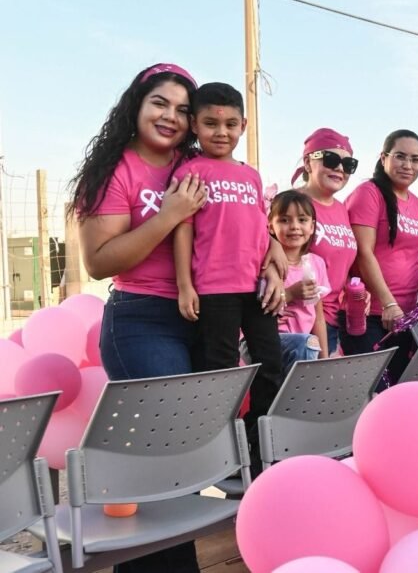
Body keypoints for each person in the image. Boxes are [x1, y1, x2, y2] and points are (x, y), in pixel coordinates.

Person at [70, 63, 280, 573]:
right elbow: (98, 263)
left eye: (183, 109)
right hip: (143, 319)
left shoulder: (200, 163)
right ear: (136, 107)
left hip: (201, 313)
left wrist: (274, 256)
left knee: (187, 450)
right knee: (164, 450)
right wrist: (168, 215)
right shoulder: (116, 170)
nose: (171, 116)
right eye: (159, 103)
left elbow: (243, 219)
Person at [171, 82, 284, 471]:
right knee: (219, 374)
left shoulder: (251, 176)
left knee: (271, 366)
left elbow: (257, 227)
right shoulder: (190, 171)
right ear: (194, 125)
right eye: (211, 123)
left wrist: (272, 261)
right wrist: (185, 284)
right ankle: (218, 455)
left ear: (244, 125)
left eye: (231, 124)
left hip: (256, 290)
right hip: (214, 291)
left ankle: (257, 449)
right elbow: (182, 228)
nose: (222, 132)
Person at [344, 130, 418, 384]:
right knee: (374, 393)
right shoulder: (369, 193)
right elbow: (363, 252)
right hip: (372, 315)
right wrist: (388, 303)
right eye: (400, 156)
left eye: (415, 159)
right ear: (383, 158)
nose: (408, 165)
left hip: (406, 319)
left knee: (402, 393)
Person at [292, 128, 360, 355]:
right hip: (301, 321)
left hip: (335, 319)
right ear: (309, 162)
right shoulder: (292, 205)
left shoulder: (342, 209)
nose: (340, 168)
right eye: (330, 160)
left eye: (348, 164)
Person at [263, 190, 331, 377]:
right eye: (284, 220)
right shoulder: (265, 261)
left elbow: (318, 316)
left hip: (305, 344)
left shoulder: (316, 263)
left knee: (307, 344)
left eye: (302, 220)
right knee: (305, 344)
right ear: (270, 226)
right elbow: (257, 306)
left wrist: (324, 360)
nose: (294, 227)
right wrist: (291, 294)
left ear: (312, 227)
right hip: (269, 341)